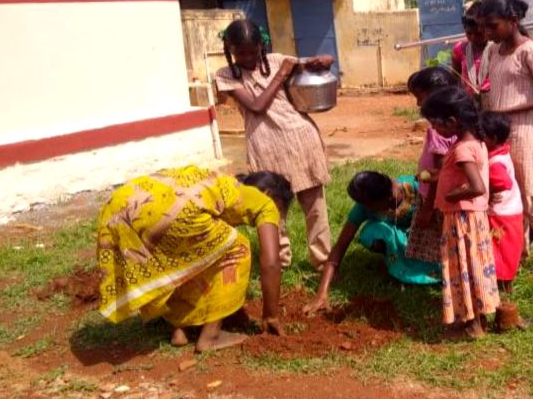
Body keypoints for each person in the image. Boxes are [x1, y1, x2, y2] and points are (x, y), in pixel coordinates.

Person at [95, 166, 293, 353]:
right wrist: (271, 315)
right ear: (267, 194)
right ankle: (211, 336)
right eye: (280, 210)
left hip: (123, 203)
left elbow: (199, 262)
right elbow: (271, 262)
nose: (277, 218)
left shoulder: (221, 184)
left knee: (181, 259)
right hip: (160, 209)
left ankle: (180, 328)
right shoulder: (263, 202)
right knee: (237, 249)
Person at [214, 19, 333, 271]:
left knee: (314, 207)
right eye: (239, 52)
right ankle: (279, 263)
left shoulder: (277, 60)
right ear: (230, 50)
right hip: (265, 146)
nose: (247, 57)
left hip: (301, 139)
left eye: (252, 50)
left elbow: (310, 64)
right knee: (272, 207)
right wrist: (280, 76)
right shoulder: (225, 76)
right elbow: (256, 106)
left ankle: (323, 261)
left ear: (261, 45)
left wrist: (323, 60)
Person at [478, 0, 533, 283]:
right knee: (508, 195)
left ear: (512, 22)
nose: (487, 33)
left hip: (525, 133)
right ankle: (519, 251)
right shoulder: (493, 51)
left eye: (493, 26)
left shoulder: (531, 52)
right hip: (498, 137)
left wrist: (509, 110)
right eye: (485, 28)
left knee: (532, 195)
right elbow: (487, 88)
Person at [421, 86, 500, 339]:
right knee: (476, 266)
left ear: (452, 121)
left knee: (464, 268)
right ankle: (478, 319)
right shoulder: (473, 143)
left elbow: (477, 187)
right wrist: (438, 176)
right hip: (471, 217)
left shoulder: (463, 149)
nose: (434, 129)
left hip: (461, 218)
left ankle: (473, 325)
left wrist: (449, 196)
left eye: (436, 124)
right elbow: (459, 175)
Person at [304, 171, 440, 315]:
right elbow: (340, 246)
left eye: (369, 204)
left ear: (388, 197)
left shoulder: (415, 188)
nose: (365, 207)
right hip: (394, 236)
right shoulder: (364, 206)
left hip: (425, 236)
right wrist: (321, 294)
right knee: (372, 232)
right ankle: (394, 260)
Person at [404, 67, 459, 265]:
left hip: (435, 199)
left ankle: (440, 273)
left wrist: (428, 208)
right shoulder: (455, 124)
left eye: (421, 97)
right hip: (445, 196)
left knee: (437, 241)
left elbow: (439, 174)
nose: (418, 103)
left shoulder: (439, 130)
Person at [480, 112, 527, 331]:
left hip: (501, 213)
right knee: (505, 251)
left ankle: (502, 290)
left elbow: (503, 183)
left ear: (491, 138)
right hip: (511, 210)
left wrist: (487, 191)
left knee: (499, 251)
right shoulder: (502, 153)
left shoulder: (495, 162)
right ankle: (506, 288)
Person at [450, 2, 491, 98]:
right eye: (469, 33)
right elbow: (456, 76)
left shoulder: (497, 49)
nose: (473, 37)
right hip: (468, 101)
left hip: (493, 100)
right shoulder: (459, 49)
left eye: (478, 34)